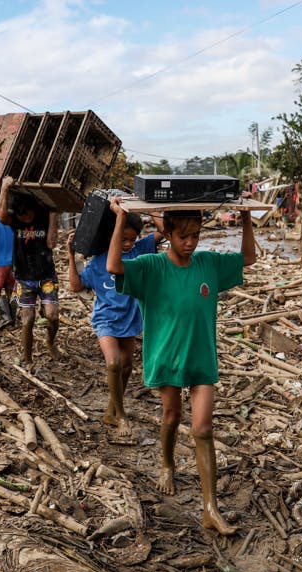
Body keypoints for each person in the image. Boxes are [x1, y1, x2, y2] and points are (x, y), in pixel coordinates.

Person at [107, 200, 256, 536]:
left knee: (203, 430)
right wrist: (119, 219)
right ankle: (168, 463)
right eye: (184, 236)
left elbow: (248, 258)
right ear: (167, 233)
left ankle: (210, 508)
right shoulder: (151, 267)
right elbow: (115, 266)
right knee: (172, 416)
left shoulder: (208, 263)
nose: (191, 242)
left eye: (196, 235)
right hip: (168, 357)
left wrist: (247, 220)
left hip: (202, 358)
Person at [67, 204, 159, 441]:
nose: (128, 243)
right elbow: (76, 286)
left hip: (130, 317)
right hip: (105, 319)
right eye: (124, 238)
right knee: (114, 364)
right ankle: (120, 415)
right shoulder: (98, 261)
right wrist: (70, 254)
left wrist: (148, 205)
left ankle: (110, 410)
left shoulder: (141, 251)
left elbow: (165, 232)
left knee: (127, 367)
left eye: (132, 238)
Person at [0, 176, 59, 366]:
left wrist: (53, 215)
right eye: (23, 217)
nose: (27, 219)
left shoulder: (42, 214)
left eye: (29, 216)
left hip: (46, 276)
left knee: (52, 316)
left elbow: (51, 243)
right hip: (24, 278)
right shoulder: (14, 220)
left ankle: (50, 340)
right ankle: (28, 357)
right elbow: (1, 216)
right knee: (28, 320)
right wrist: (5, 188)